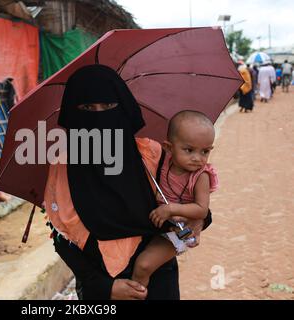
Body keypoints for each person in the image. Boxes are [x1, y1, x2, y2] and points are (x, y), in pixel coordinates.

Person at [45, 64, 212, 300]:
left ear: (123, 107)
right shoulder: (64, 165)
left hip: (157, 278)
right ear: (73, 113)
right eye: (87, 107)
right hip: (102, 288)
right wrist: (104, 287)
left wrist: (199, 218)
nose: (99, 115)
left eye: (109, 106)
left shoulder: (148, 153)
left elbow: (189, 198)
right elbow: (61, 236)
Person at [132, 111, 218, 288]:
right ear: (169, 148)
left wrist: (171, 209)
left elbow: (201, 210)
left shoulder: (201, 176)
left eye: (205, 151)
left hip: (181, 231)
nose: (197, 158)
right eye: (189, 150)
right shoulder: (164, 162)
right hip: (160, 227)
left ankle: (136, 293)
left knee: (143, 265)